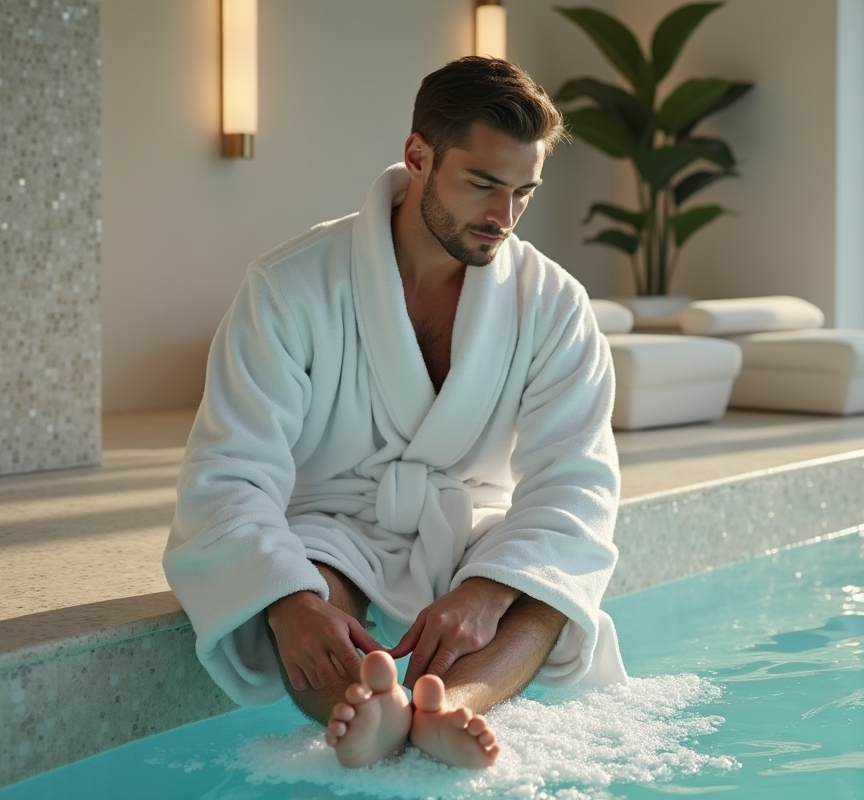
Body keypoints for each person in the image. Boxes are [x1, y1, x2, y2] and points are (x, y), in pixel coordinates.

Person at [163, 56, 626, 771]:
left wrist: (488, 589)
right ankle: (370, 709)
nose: (503, 217)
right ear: (418, 157)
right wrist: (290, 604)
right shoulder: (291, 289)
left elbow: (576, 486)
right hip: (334, 525)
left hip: (473, 528)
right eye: (483, 185)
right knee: (304, 583)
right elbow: (228, 474)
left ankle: (453, 708)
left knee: (548, 591)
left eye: (524, 193)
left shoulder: (555, 306)